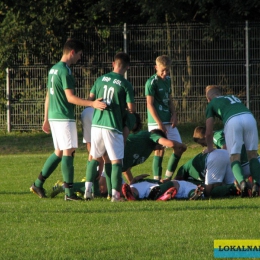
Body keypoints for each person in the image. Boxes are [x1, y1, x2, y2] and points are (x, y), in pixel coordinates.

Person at [29, 38, 107, 201]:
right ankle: (69, 193)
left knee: (59, 152)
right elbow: (70, 98)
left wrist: (46, 118)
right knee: (69, 152)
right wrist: (91, 103)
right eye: (79, 54)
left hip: (54, 116)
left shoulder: (53, 70)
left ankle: (38, 183)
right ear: (72, 52)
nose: (80, 57)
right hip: (64, 117)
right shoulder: (65, 70)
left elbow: (48, 96)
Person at [50, 128, 187, 199]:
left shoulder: (147, 151)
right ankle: (65, 186)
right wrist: (180, 145)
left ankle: (83, 186)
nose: (162, 148)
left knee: (108, 193)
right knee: (102, 191)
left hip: (116, 167)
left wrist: (131, 181)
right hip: (107, 159)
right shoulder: (149, 136)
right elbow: (170, 143)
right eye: (161, 144)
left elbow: (126, 166)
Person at [84, 52, 136, 202]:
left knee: (94, 156)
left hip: (97, 123)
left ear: (113, 63)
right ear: (127, 67)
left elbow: (90, 99)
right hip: (113, 125)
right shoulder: (125, 84)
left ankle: (88, 191)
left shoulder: (100, 79)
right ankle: (115, 195)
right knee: (116, 161)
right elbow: (131, 108)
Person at [205, 85, 260, 197]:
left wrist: (210, 148)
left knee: (234, 157)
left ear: (208, 99)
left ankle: (242, 183)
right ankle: (256, 185)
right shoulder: (233, 97)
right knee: (253, 155)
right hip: (249, 117)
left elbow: (209, 132)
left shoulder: (211, 104)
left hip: (232, 120)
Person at [145, 55, 185, 181]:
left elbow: (169, 99)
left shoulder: (168, 79)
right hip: (156, 121)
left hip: (169, 119)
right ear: (156, 67)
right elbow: (149, 104)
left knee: (180, 147)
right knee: (159, 150)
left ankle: (167, 179)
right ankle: (157, 181)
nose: (165, 73)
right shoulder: (151, 82)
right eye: (162, 70)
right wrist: (159, 123)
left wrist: (174, 114)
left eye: (167, 70)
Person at [175, 126, 238, 197]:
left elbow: (225, 148)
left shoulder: (215, 137)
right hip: (230, 156)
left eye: (202, 143)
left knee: (210, 192)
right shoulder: (218, 133)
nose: (203, 146)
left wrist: (212, 149)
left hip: (227, 156)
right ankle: (245, 187)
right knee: (231, 183)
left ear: (206, 136)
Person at [121, 177, 205, 201]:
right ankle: (131, 195)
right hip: (152, 187)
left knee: (173, 184)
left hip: (154, 188)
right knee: (133, 188)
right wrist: (135, 179)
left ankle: (133, 195)